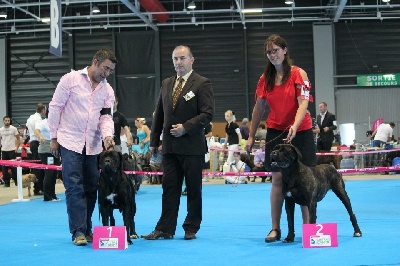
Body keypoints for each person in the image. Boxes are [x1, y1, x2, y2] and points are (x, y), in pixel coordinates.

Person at [245, 34, 316, 243]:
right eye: (269, 52)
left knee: (305, 180)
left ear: (285, 51)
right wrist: (250, 136)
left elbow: (303, 103)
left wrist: (294, 125)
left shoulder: (298, 74)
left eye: (275, 50)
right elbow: (258, 110)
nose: (272, 54)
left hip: (301, 130)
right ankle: (275, 229)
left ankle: (309, 230)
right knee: (277, 179)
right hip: (276, 131)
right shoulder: (263, 80)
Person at [141, 45, 214, 241]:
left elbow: (207, 114)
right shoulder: (166, 84)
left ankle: (191, 227)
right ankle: (165, 228)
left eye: (182, 58)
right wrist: (154, 142)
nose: (178, 62)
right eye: (175, 59)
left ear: (192, 60)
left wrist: (186, 127)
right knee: (169, 189)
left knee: (193, 189)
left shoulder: (202, 83)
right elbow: (159, 116)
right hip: (170, 148)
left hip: (192, 147)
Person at [48, 48, 116, 246]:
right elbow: (55, 107)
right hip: (69, 141)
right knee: (74, 186)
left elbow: (105, 117)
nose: (107, 74)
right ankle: (77, 231)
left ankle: (87, 228)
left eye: (111, 70)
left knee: (92, 186)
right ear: (95, 61)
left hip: (93, 145)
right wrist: (53, 136)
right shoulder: (70, 80)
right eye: (105, 68)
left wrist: (108, 136)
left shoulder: (107, 90)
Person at [35, 109, 61, 201]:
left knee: (54, 174)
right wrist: (41, 137)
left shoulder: (57, 123)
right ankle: (47, 196)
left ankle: (53, 195)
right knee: (49, 173)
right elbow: (37, 131)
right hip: (45, 151)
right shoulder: (43, 123)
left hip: (55, 150)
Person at [26, 103, 46, 195]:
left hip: (32, 143)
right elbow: (39, 131)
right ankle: (38, 189)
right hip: (37, 142)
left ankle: (37, 188)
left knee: (36, 166)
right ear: (43, 110)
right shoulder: (38, 119)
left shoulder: (30, 117)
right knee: (40, 167)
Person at [0, 116, 21, 187]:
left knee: (13, 167)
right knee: (4, 168)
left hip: (12, 150)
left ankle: (16, 181)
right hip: (4, 150)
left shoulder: (13, 129)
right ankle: (6, 183)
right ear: (3, 121)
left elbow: (18, 139)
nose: (7, 122)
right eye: (6, 120)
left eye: (8, 120)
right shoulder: (1, 130)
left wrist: (17, 147)